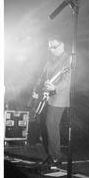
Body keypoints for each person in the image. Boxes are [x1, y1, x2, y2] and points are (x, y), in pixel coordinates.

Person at [32, 36, 71, 171]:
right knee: (45, 126)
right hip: (46, 97)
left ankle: (56, 157)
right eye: (50, 47)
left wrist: (56, 88)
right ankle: (50, 155)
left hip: (59, 98)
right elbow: (43, 76)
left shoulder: (69, 59)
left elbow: (68, 80)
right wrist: (37, 89)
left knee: (51, 124)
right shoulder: (50, 60)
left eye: (54, 46)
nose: (52, 49)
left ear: (62, 45)